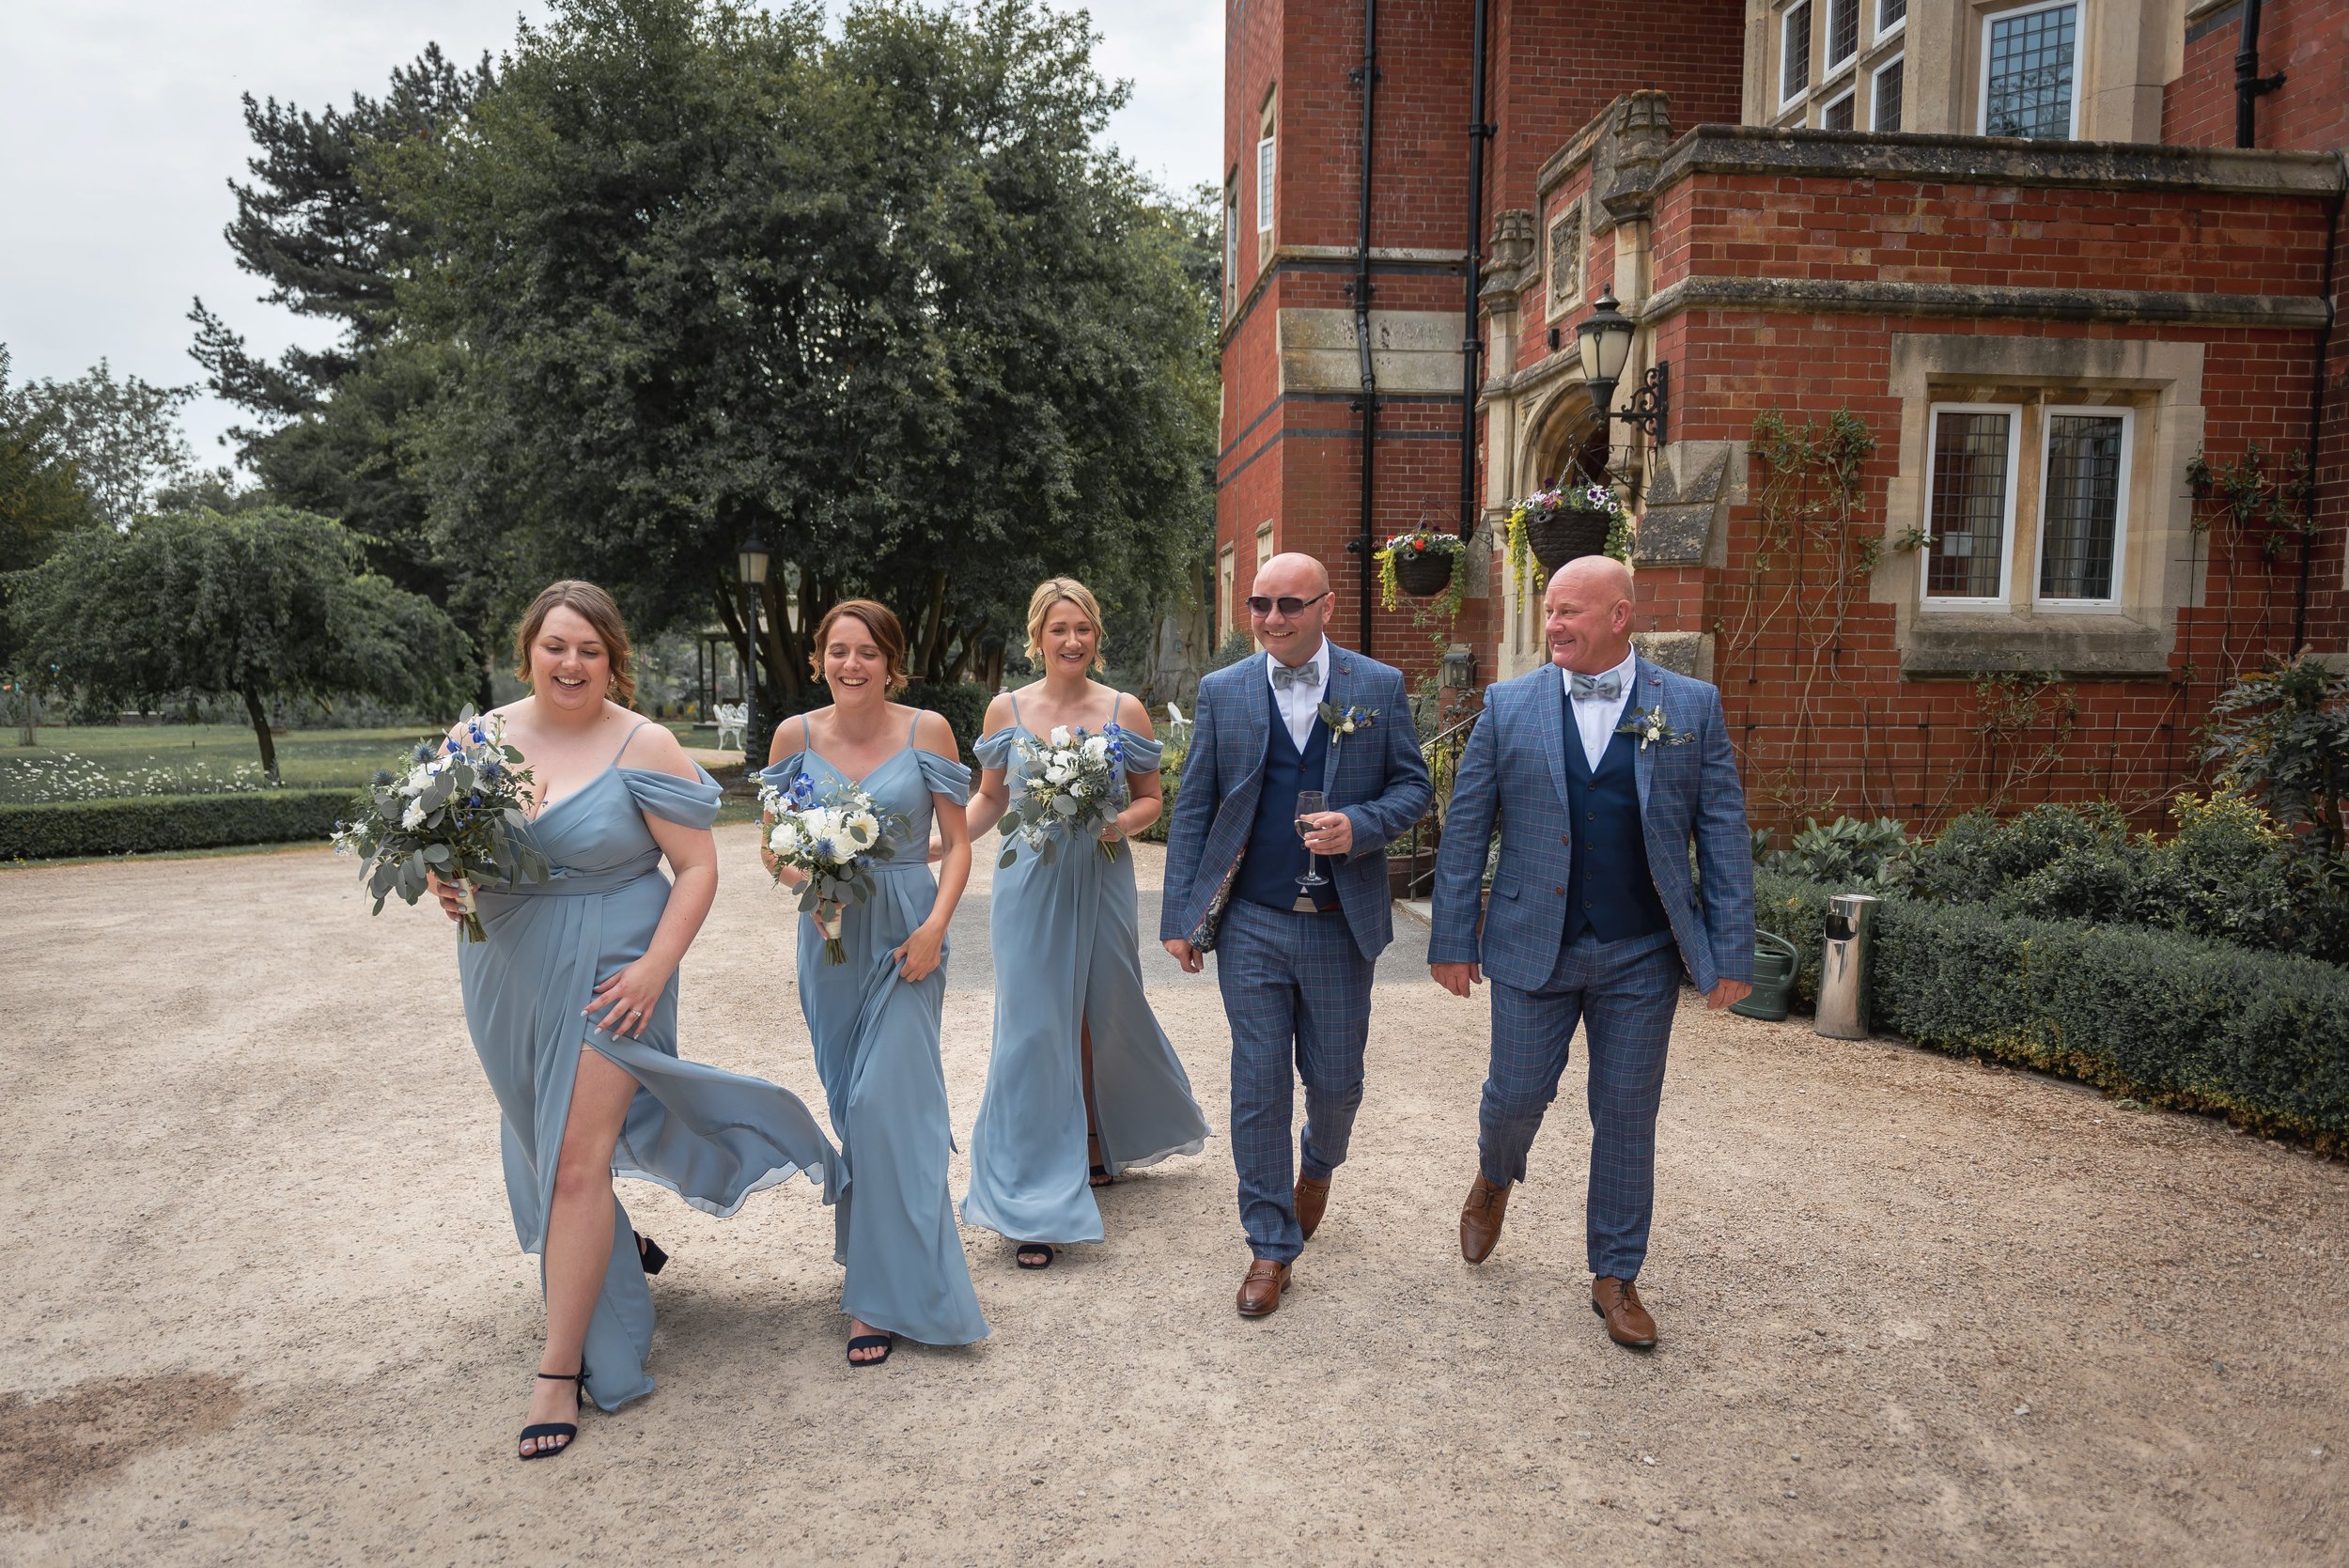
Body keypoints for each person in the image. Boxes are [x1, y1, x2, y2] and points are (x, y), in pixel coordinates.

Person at [427, 580, 843, 1461]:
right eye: (555, 646)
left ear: (614, 660)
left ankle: (559, 1368)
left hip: (617, 973)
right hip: (505, 969)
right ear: (527, 652)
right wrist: (443, 879)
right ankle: (613, 1247)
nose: (571, 662)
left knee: (575, 1166)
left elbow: (697, 868)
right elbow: (446, 850)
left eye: (590, 649)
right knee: (542, 1145)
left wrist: (655, 969)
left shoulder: (642, 742)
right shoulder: (477, 739)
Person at [1426, 555, 1753, 1351]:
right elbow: (1466, 828)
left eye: (1570, 610)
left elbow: (1722, 831)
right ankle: (1494, 1173)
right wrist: (1452, 938)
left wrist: (1730, 949)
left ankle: (1615, 1274)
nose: (1554, 624)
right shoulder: (1508, 705)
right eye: (1548, 610)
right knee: (1515, 1096)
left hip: (1641, 950)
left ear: (1619, 616)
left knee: (1627, 1113)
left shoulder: (1692, 706)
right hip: (1531, 941)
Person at [1159, 552, 1431, 1317]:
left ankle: (1318, 1162)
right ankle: (1269, 1243)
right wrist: (1182, 917)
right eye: (1259, 604)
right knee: (1258, 1080)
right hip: (1253, 919)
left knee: (1337, 1083)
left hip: (1340, 924)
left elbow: (1414, 787)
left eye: (1288, 604)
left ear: (1326, 607)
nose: (1271, 618)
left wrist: (1361, 824)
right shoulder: (1224, 691)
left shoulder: (1377, 686)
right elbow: (1196, 804)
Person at [760, 599, 988, 1365]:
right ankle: (879, 1263)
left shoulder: (929, 731)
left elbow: (957, 843)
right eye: (838, 650)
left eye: (867, 652)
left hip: (907, 935)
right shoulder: (794, 737)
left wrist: (935, 928)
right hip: (829, 938)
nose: (851, 664)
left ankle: (877, 1298)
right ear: (819, 657)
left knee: (888, 1105)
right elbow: (772, 849)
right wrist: (810, 874)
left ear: (893, 663)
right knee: (853, 1112)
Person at [961, 579, 1209, 1269]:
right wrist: (942, 842)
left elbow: (1150, 798)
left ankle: (1097, 1136)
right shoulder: (1006, 709)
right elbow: (990, 800)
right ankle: (1032, 1191)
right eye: (1059, 629)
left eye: (1083, 629)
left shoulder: (1123, 709)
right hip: (1028, 880)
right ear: (1037, 636)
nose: (1072, 640)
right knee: (1034, 1022)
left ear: (1096, 636)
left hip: (1101, 873)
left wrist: (1115, 823)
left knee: (1104, 1007)